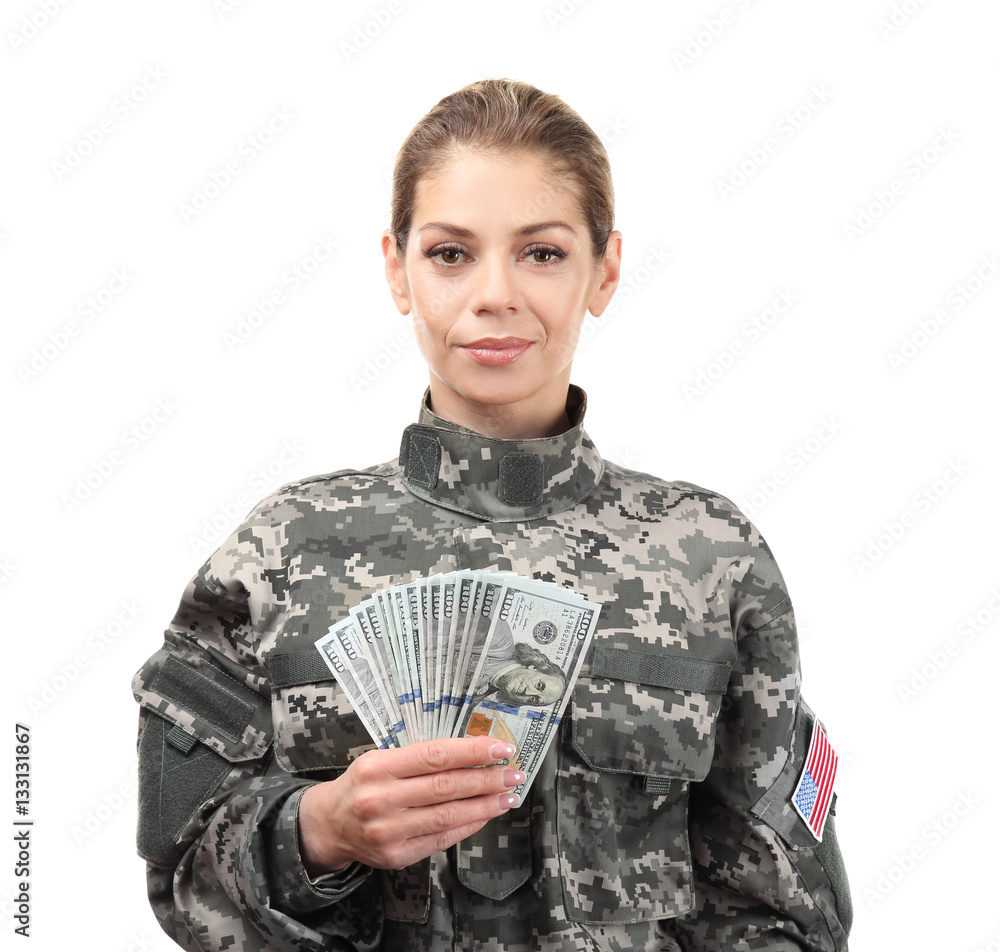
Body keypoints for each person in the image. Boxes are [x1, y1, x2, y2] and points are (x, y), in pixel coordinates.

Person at [132, 78, 852, 951]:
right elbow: (180, 881)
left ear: (606, 269)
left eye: (542, 253)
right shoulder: (276, 553)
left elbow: (781, 910)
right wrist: (317, 831)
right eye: (450, 253)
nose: (495, 295)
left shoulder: (712, 557)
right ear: (397, 270)